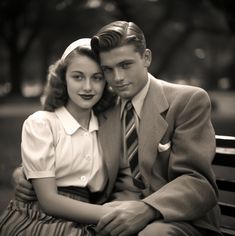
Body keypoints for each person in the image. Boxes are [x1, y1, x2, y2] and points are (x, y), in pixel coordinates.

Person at [10, 21, 222, 236]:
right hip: (112, 213)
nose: (118, 78)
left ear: (146, 58)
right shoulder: (103, 108)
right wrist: (23, 173)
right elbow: (69, 145)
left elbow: (199, 182)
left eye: (125, 65)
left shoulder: (187, 101)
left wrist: (147, 209)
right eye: (108, 70)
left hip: (173, 217)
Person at [0, 37, 136, 236]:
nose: (88, 87)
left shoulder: (109, 128)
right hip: (39, 217)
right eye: (78, 77)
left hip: (86, 217)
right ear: (63, 79)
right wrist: (113, 214)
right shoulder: (43, 123)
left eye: (97, 78)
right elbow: (48, 201)